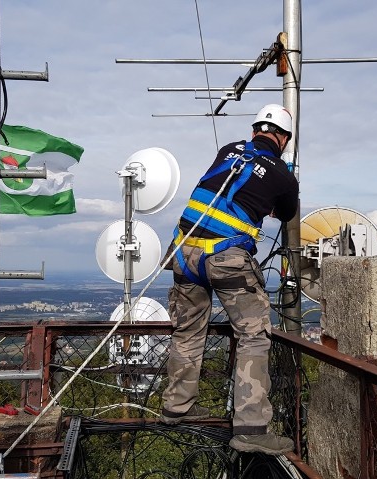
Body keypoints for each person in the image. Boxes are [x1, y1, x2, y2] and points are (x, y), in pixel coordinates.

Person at [160, 104, 299, 455]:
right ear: (282, 139)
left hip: (184, 252)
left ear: (256, 131)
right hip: (228, 257)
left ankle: (175, 408)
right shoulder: (283, 174)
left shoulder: (228, 150)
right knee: (253, 337)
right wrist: (283, 178)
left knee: (188, 332)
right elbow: (286, 212)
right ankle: (251, 429)